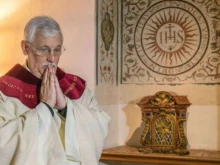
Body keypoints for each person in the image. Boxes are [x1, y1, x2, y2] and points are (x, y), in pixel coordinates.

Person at [0, 16, 110, 165]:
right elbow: (3, 143)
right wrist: (43, 109)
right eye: (43, 50)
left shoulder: (75, 87)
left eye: (57, 50)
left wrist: (66, 107)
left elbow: (100, 126)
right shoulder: (4, 91)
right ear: (26, 48)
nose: (52, 58)